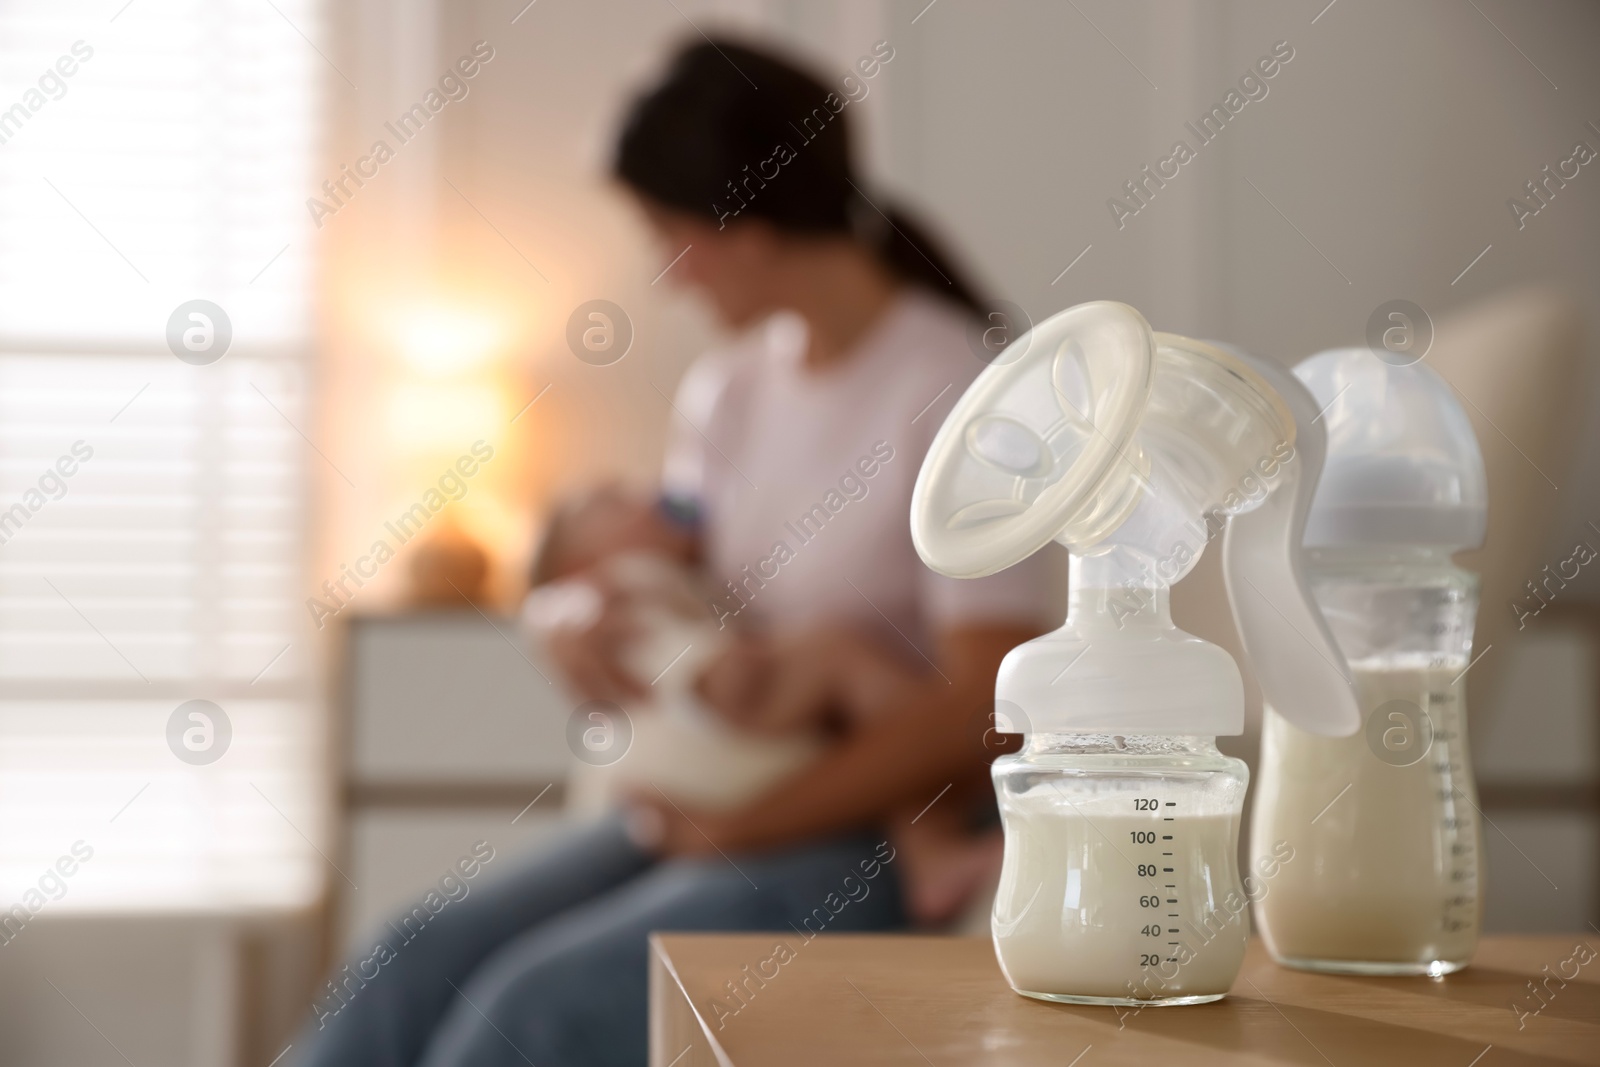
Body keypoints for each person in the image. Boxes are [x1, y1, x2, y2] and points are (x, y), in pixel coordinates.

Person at [292, 36, 1058, 1067]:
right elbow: (666, 561)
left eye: (665, 232)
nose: (662, 273)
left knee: (536, 1010)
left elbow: (983, 705)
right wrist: (566, 619)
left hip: (869, 831)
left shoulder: (961, 393)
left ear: (744, 227)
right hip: (731, 788)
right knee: (410, 955)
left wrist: (743, 829)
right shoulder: (731, 392)